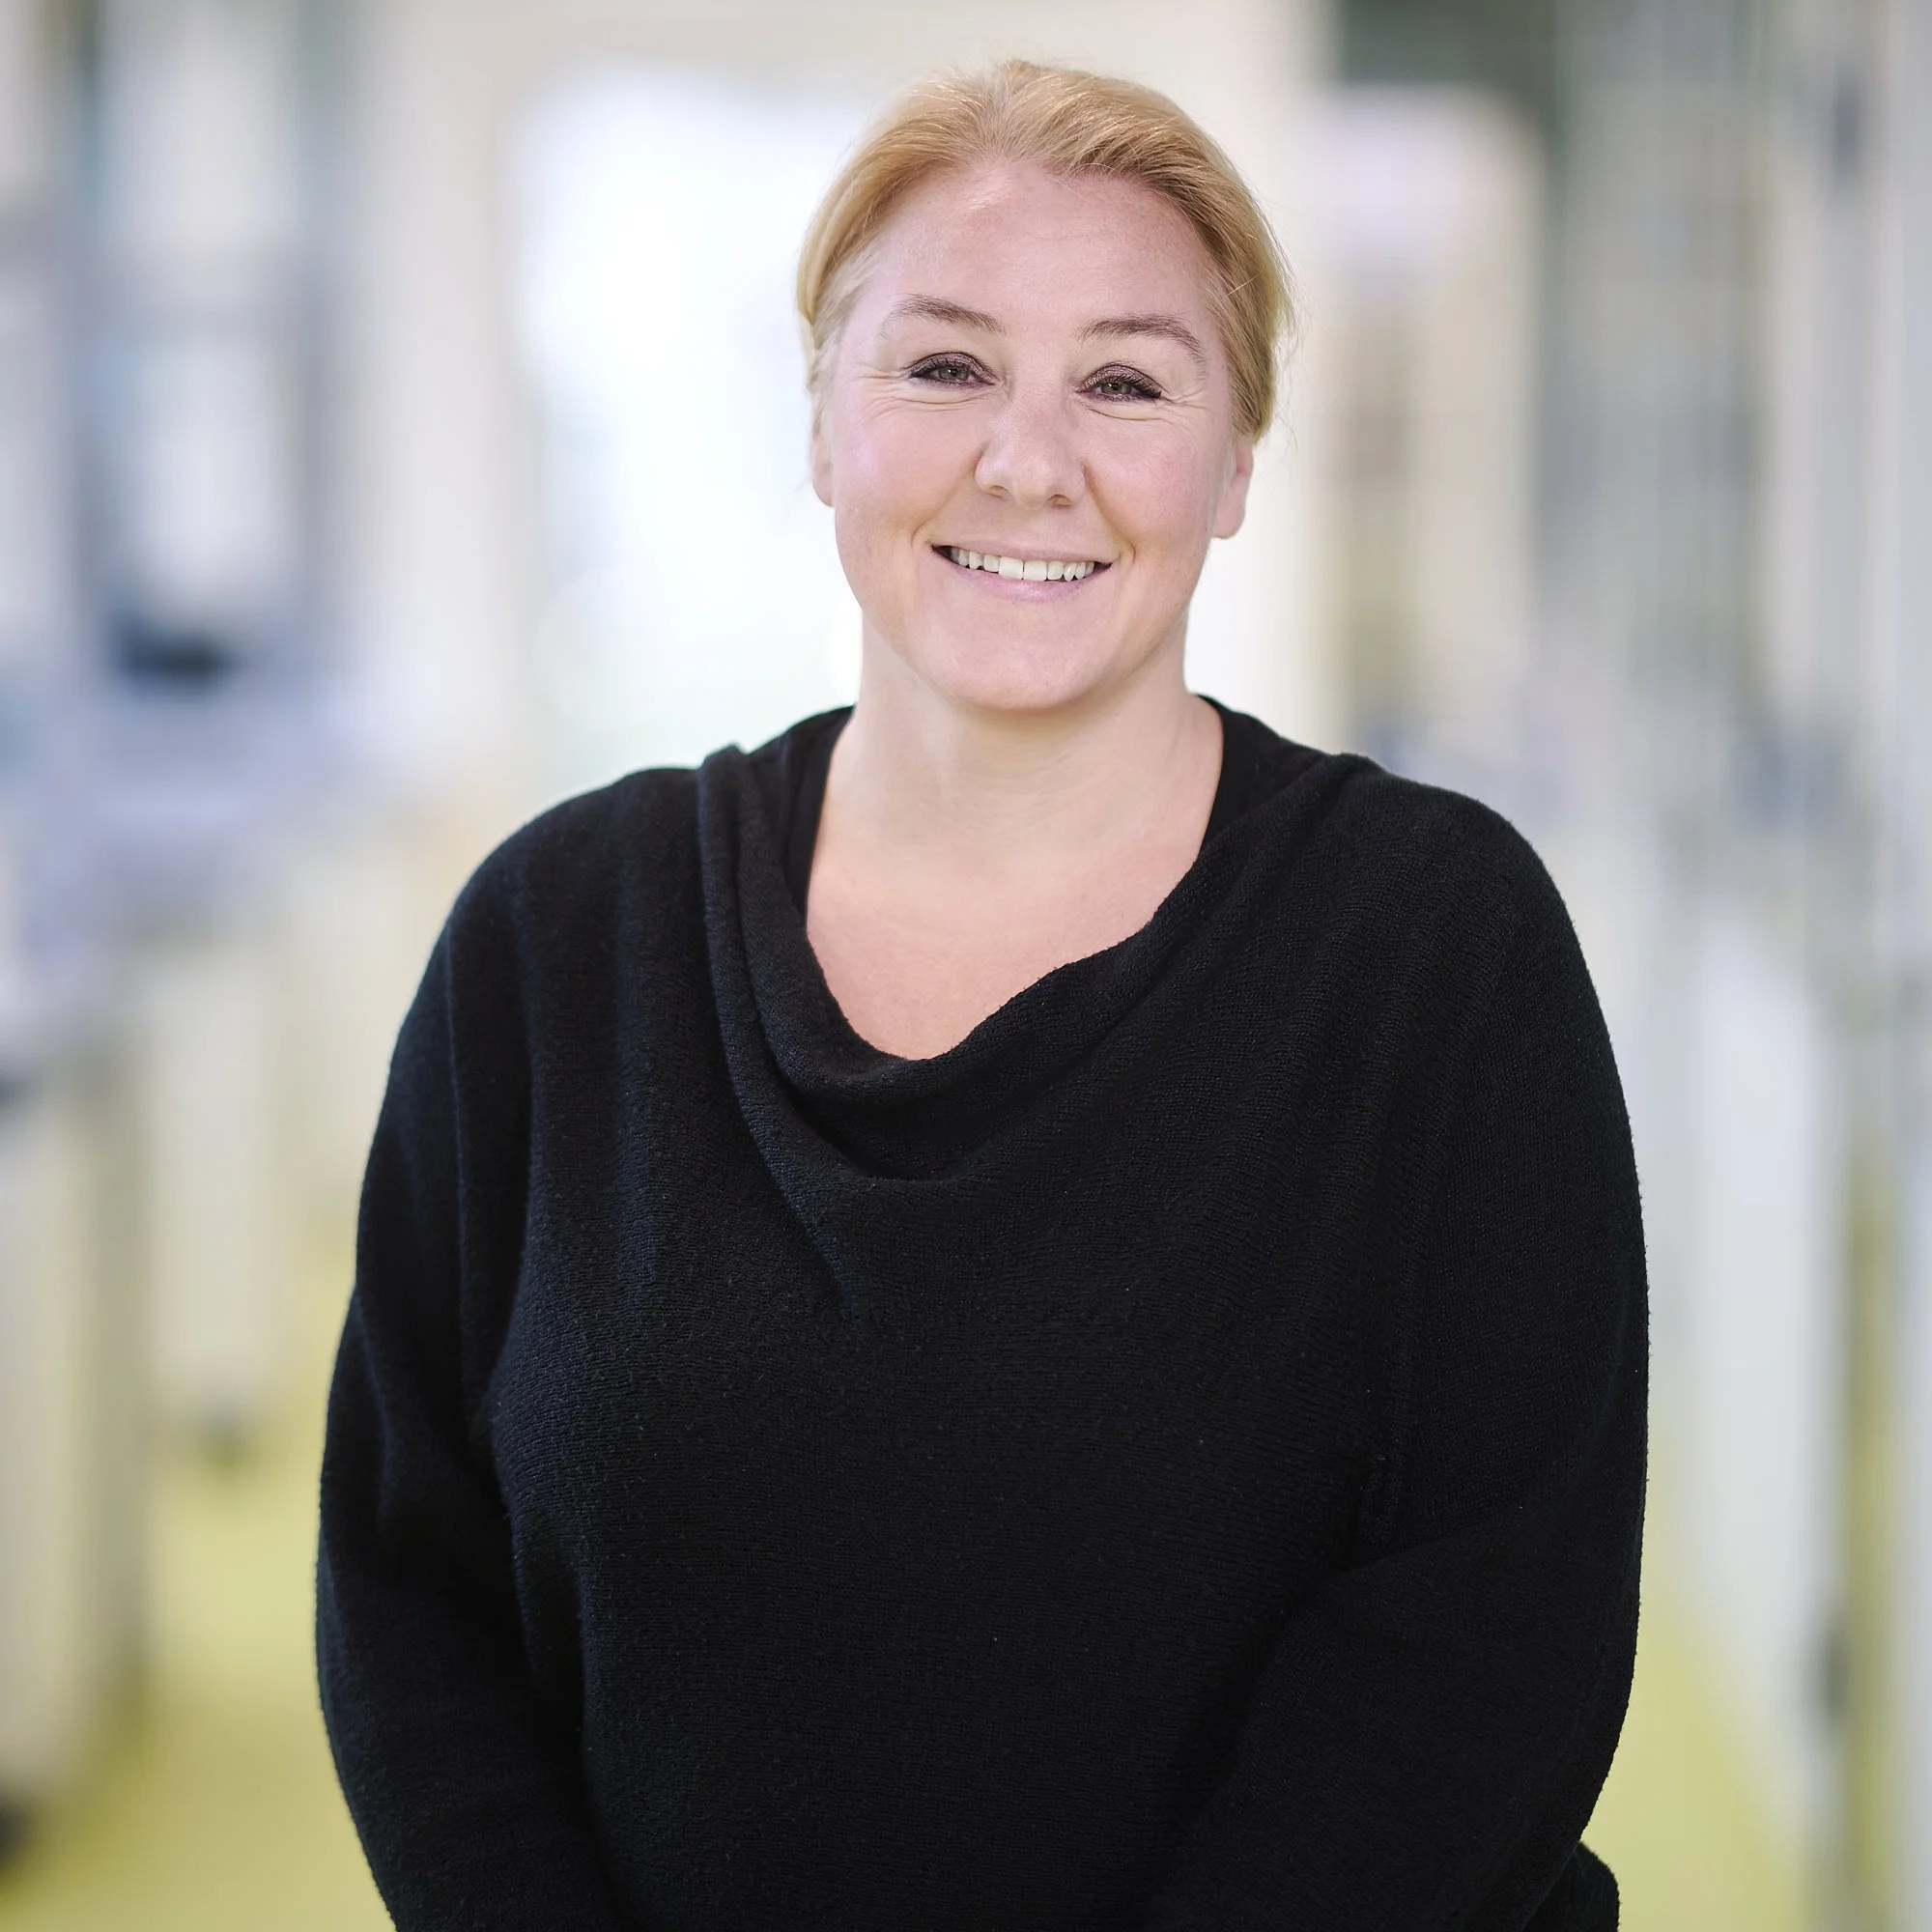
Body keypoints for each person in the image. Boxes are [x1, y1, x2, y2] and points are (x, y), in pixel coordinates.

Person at [317, 59, 1646, 1932]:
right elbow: (408, 1588)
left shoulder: (1435, 949)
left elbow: (1481, 1646)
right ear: (821, 420)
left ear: (1237, 458)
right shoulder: (556, 941)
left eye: (1125, 377)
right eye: (942, 365)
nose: (1029, 459)